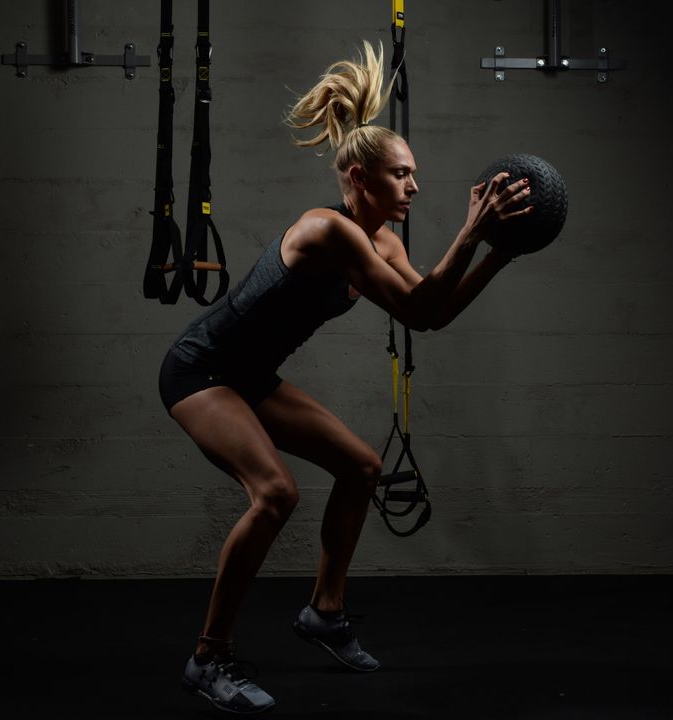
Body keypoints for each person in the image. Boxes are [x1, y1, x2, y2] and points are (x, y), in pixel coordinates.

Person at [160, 41, 534, 714]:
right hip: (200, 370)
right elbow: (422, 306)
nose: (415, 187)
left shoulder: (383, 241)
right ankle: (208, 656)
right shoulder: (326, 231)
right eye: (401, 175)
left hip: (249, 374)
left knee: (361, 468)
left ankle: (324, 613)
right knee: (275, 494)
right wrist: (472, 234)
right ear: (360, 177)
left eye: (414, 174)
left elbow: (431, 315)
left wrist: (498, 253)